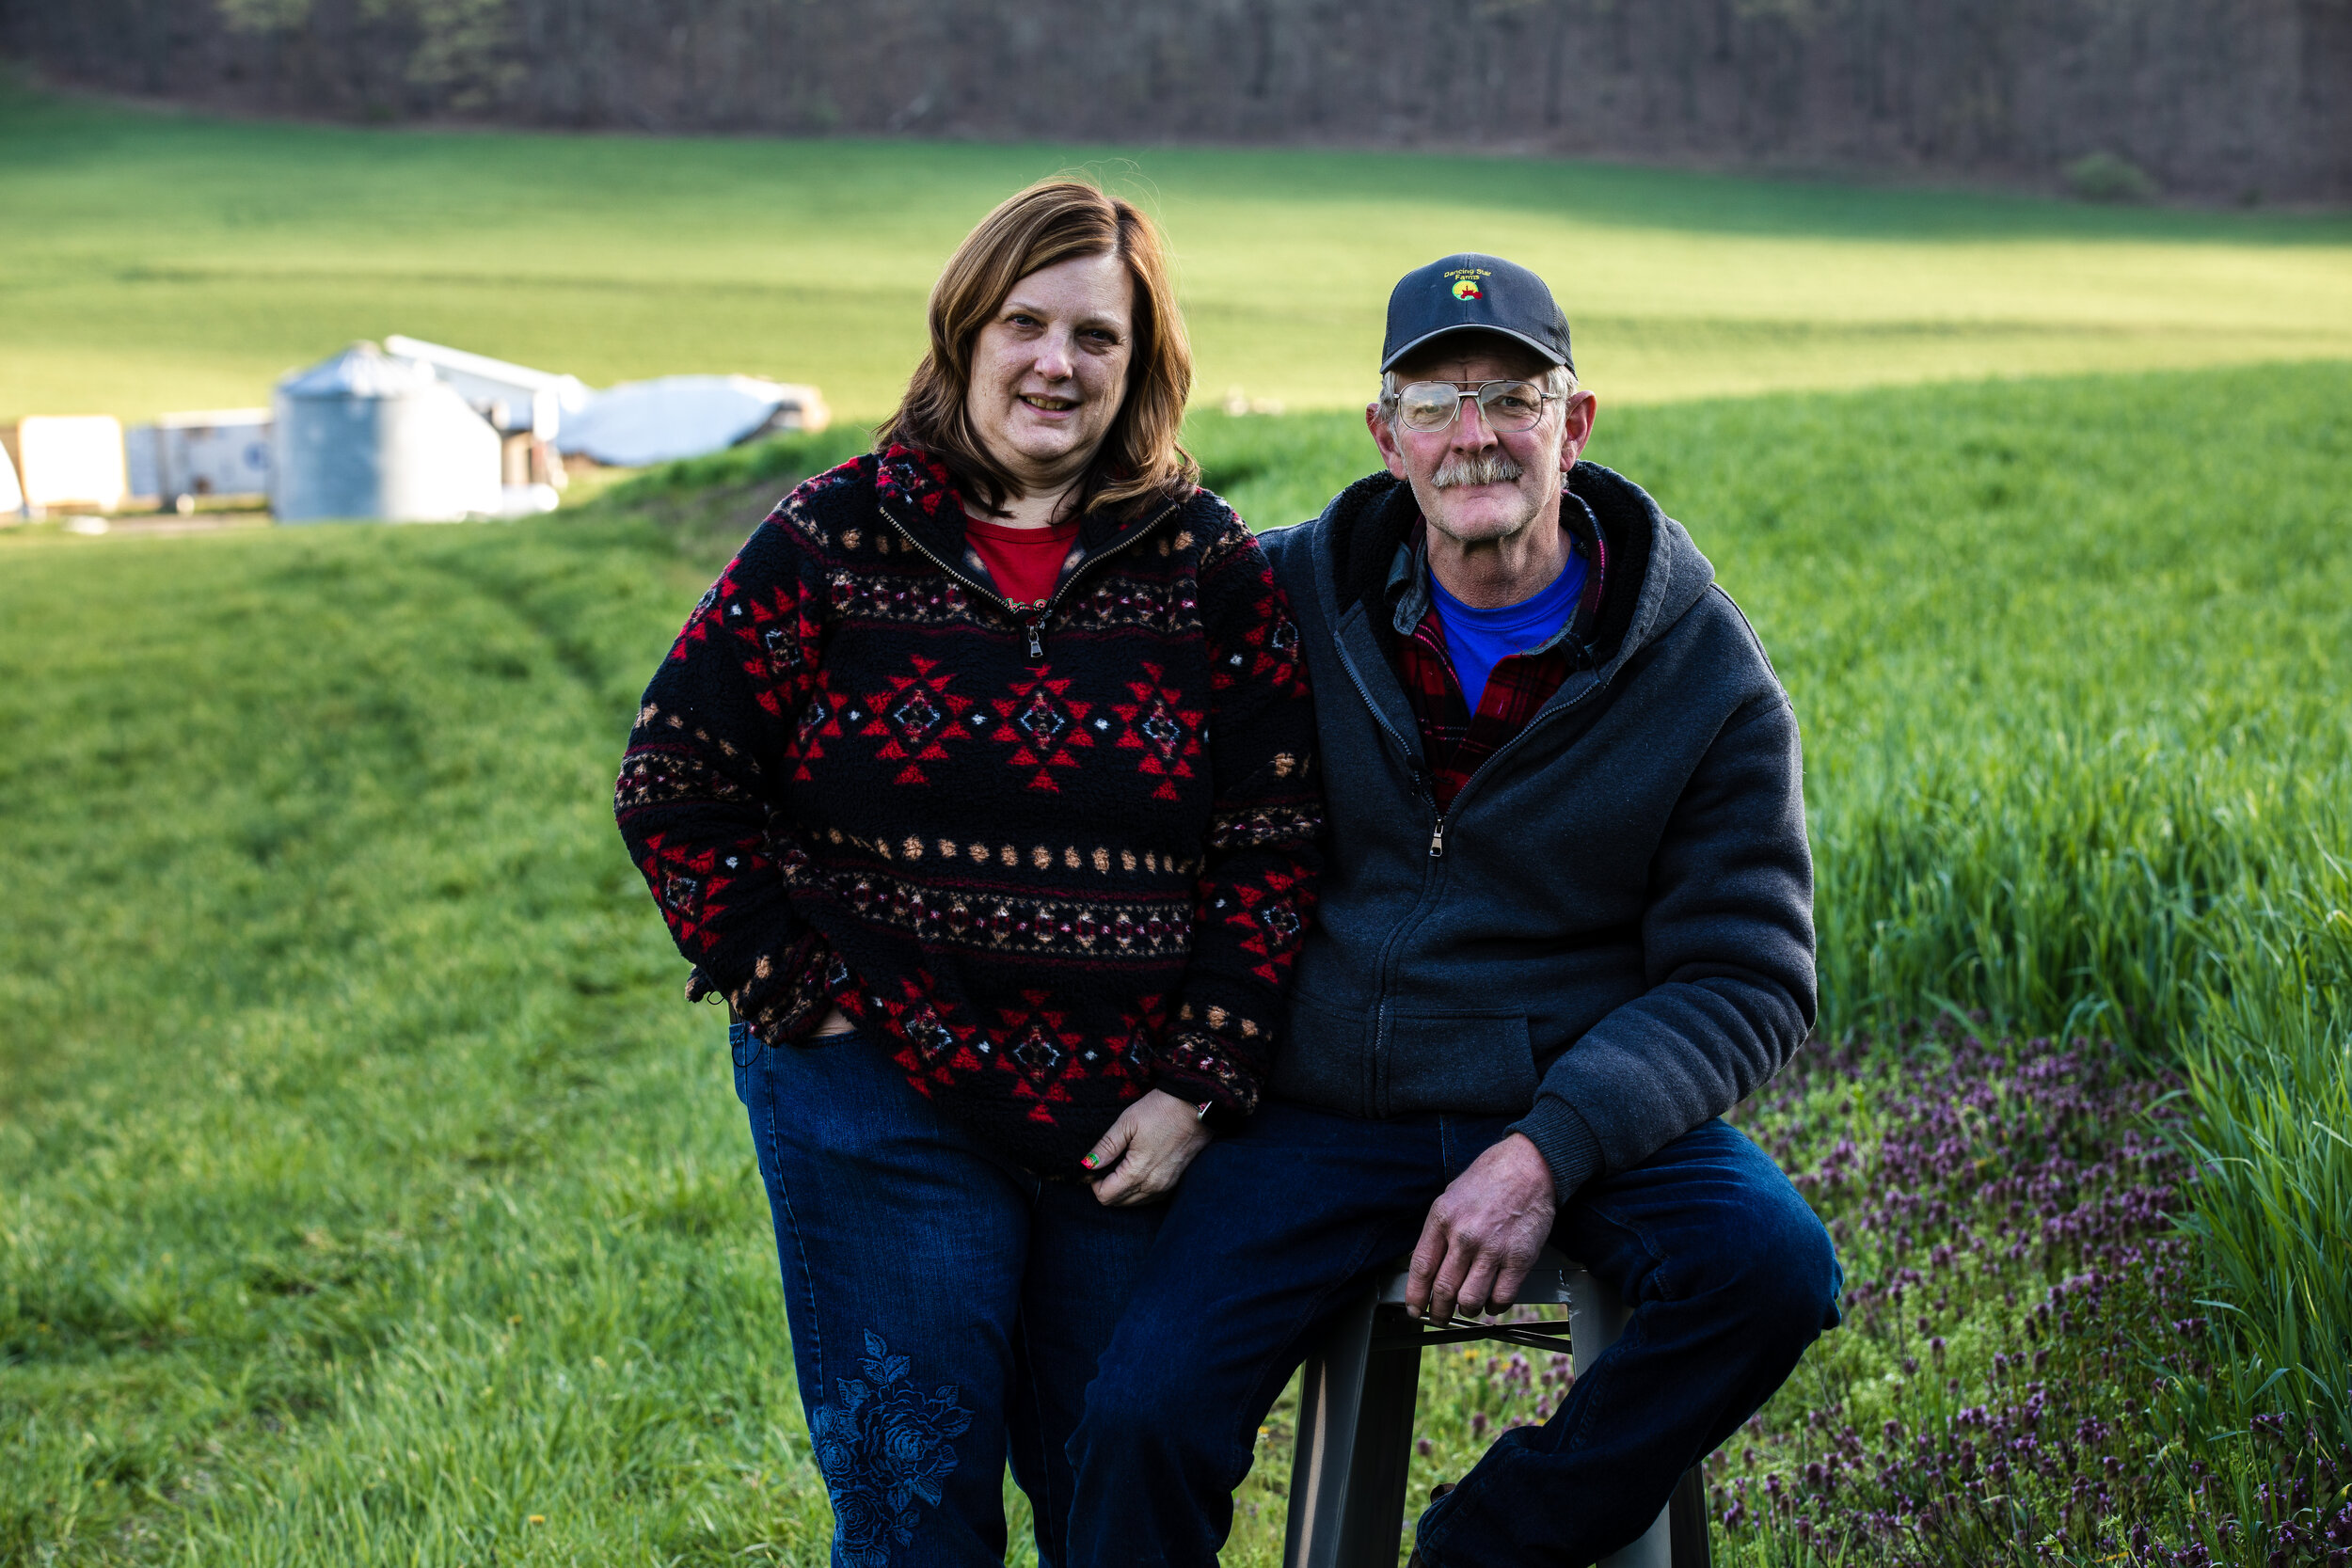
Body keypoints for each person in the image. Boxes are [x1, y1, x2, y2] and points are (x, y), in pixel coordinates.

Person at [1067, 253, 1841, 1567]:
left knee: (1771, 1271)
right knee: (1140, 1420)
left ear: (1575, 425)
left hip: (1568, 1104)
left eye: (1512, 397)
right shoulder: (1278, 600)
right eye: (1434, 403)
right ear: (1385, 438)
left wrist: (1548, 1150)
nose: (1474, 436)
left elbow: (1750, 976)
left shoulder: (1704, 670)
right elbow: (1079, 706)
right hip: (1313, 1111)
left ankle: (1480, 1552)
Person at [612, 180, 1322, 1568]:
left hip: (1127, 1137)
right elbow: (674, 780)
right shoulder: (828, 543)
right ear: (965, 334)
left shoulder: (1207, 569)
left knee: (1121, 1498)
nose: (1057, 364)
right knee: (913, 1509)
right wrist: (790, 989)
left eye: (1097, 337)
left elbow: (1275, 850)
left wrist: (1200, 1087)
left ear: (1143, 363)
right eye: (1026, 323)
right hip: (879, 1105)